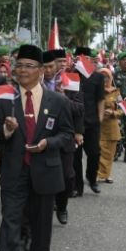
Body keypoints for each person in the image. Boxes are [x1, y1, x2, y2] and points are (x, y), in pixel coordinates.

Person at [0, 44, 74, 251]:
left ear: (42, 70)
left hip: (45, 171)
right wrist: (5, 131)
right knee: (10, 223)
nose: (22, 70)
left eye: (28, 66)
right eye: (19, 65)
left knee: (41, 225)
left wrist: (48, 143)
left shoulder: (58, 101)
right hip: (14, 171)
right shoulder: (3, 98)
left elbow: (67, 136)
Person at [47, 49, 83, 226]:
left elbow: (79, 109)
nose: (61, 65)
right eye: (57, 62)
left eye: (63, 61)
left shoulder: (71, 81)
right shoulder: (36, 83)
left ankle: (62, 206)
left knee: (67, 176)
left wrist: (63, 98)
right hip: (42, 137)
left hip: (65, 136)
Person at [73, 46, 104, 196]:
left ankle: (92, 178)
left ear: (90, 59)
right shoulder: (70, 75)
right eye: (79, 57)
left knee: (94, 153)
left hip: (92, 122)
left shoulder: (98, 77)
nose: (82, 60)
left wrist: (100, 118)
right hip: (74, 122)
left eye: (85, 58)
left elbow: (100, 100)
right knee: (75, 157)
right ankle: (76, 187)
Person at [96, 68, 122, 184]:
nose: (104, 80)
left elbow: (123, 111)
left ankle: (107, 175)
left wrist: (113, 113)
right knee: (99, 151)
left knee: (110, 153)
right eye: (101, 77)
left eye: (106, 77)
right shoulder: (95, 91)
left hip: (112, 127)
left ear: (111, 78)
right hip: (98, 126)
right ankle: (98, 174)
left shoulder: (117, 92)